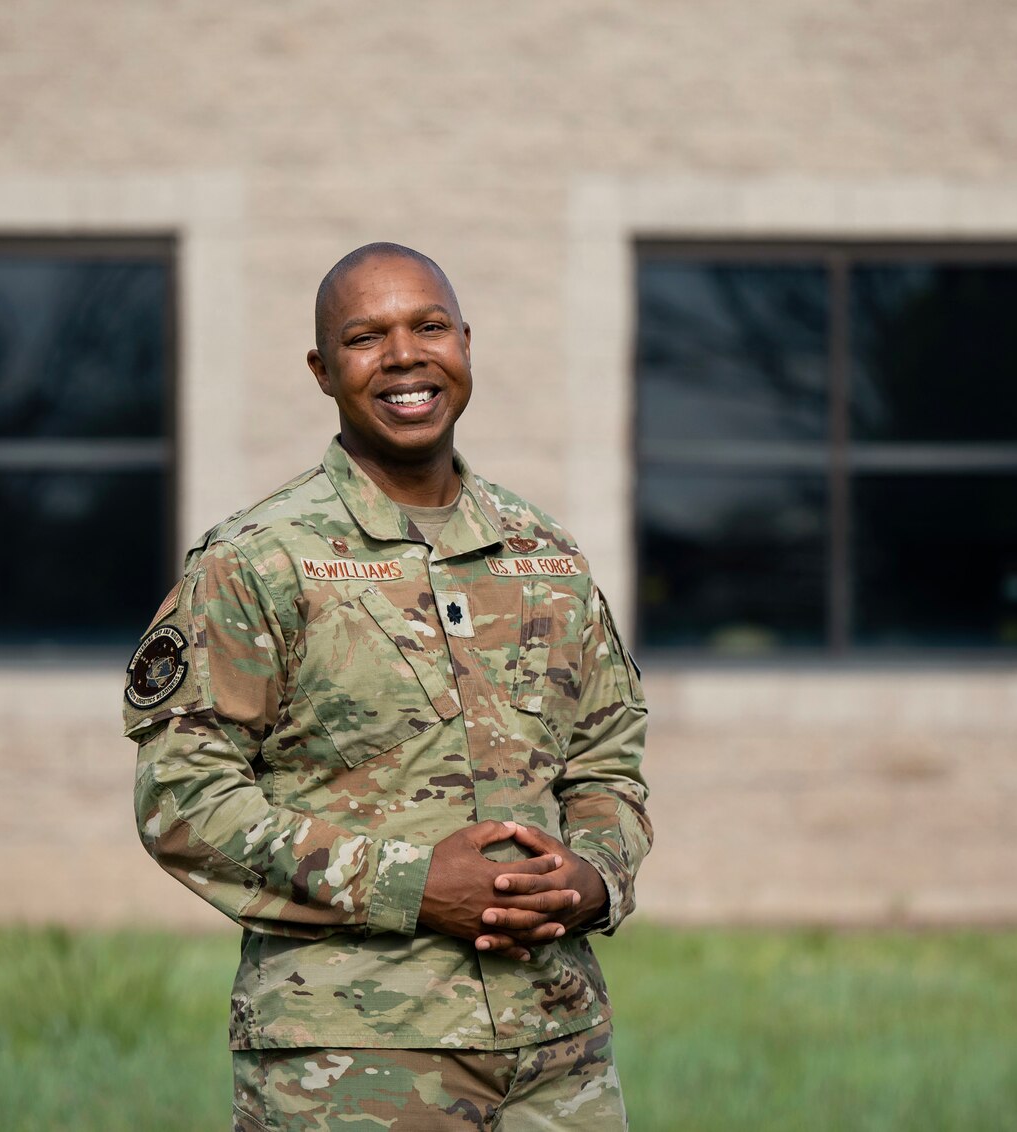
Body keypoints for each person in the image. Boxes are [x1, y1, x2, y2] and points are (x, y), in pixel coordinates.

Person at [124, 242, 650, 1130]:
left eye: (429, 327)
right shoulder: (258, 560)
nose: (405, 356)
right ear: (322, 370)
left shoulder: (543, 555)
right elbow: (183, 799)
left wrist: (593, 878)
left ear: (467, 344)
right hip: (352, 1062)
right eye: (367, 337)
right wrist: (408, 882)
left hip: (560, 1053)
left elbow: (607, 762)